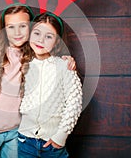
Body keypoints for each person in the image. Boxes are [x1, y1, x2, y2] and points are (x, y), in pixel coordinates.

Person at [0, 4, 76, 158]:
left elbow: (49, 63)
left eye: (22, 26)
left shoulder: (33, 56)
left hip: (17, 131)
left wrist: (66, 60)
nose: (17, 33)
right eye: (10, 27)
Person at [17, 12, 83, 158]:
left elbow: (75, 103)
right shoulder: (21, 65)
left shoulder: (65, 66)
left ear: (57, 41)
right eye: (37, 33)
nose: (41, 40)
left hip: (53, 143)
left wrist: (61, 135)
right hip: (24, 140)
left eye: (49, 36)